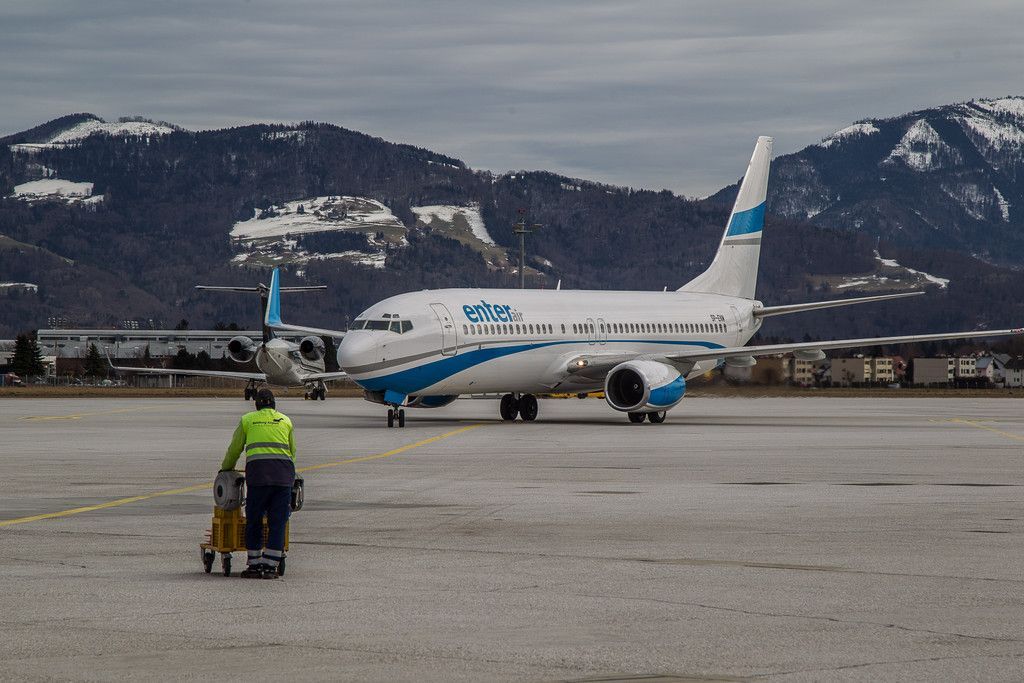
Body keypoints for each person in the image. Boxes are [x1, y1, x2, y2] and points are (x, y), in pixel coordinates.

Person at [220, 388, 296, 579]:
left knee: (254, 519)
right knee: (278, 521)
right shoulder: (285, 420)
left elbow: (235, 448)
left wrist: (226, 468)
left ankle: (254, 564)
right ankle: (271, 565)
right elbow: (292, 452)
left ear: (256, 404)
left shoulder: (248, 420)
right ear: (274, 404)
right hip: (283, 476)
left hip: (259, 477)